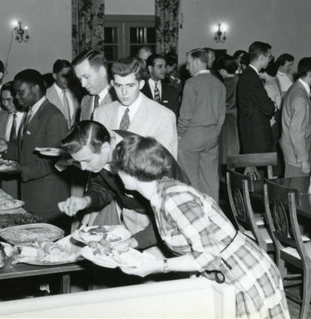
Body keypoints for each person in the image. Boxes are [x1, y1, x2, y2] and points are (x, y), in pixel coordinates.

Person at [111, 135, 289, 319]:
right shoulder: (161, 193)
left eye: (117, 168)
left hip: (245, 274)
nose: (115, 173)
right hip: (228, 271)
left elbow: (208, 255)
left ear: (130, 171)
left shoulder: (173, 199)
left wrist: (157, 266)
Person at [58, 120, 186, 250]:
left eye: (87, 161)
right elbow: (102, 186)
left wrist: (135, 241)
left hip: (170, 221)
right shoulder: (101, 147)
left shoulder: (143, 158)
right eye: (79, 162)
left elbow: (169, 218)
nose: (83, 168)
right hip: (134, 215)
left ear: (106, 148)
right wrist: (85, 201)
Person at [0, 69, 69, 225]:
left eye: (21, 92)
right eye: (15, 93)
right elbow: (25, 147)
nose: (17, 97)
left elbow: (54, 161)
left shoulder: (53, 116)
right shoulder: (30, 112)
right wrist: (6, 147)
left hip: (47, 199)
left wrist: (19, 169)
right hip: (32, 194)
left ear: (35, 89)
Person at [94, 56, 178, 158]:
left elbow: (167, 165)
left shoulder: (164, 116)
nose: (124, 92)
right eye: (119, 86)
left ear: (141, 84)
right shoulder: (100, 113)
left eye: (130, 85)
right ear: (112, 84)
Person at [178, 48, 225, 201]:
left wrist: (178, 135)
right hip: (212, 135)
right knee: (210, 177)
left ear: (197, 63)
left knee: (190, 178)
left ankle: (196, 211)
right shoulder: (219, 84)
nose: (187, 67)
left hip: (192, 135)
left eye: (189, 63)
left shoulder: (191, 83)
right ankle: (213, 212)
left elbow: (185, 116)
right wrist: (214, 132)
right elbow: (221, 116)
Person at [280, 57, 311, 176]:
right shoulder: (300, 97)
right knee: (298, 190)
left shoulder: (295, 88)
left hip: (292, 151)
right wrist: (303, 160)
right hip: (296, 156)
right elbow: (296, 132)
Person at [237, 41, 276, 153]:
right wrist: (273, 105)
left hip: (252, 132)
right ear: (262, 57)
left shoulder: (249, 75)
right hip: (256, 135)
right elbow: (268, 108)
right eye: (269, 57)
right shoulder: (252, 78)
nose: (270, 60)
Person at [72, 50, 116, 121]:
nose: (83, 85)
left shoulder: (117, 100)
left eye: (86, 77)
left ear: (102, 71)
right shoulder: (85, 100)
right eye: (80, 79)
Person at [214, 54, 240, 163]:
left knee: (226, 153)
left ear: (223, 70)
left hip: (227, 121)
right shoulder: (239, 79)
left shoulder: (224, 84)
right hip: (238, 118)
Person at [46, 59, 80, 129]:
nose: (68, 79)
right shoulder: (46, 95)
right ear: (54, 76)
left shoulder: (76, 93)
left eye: (69, 76)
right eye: (64, 76)